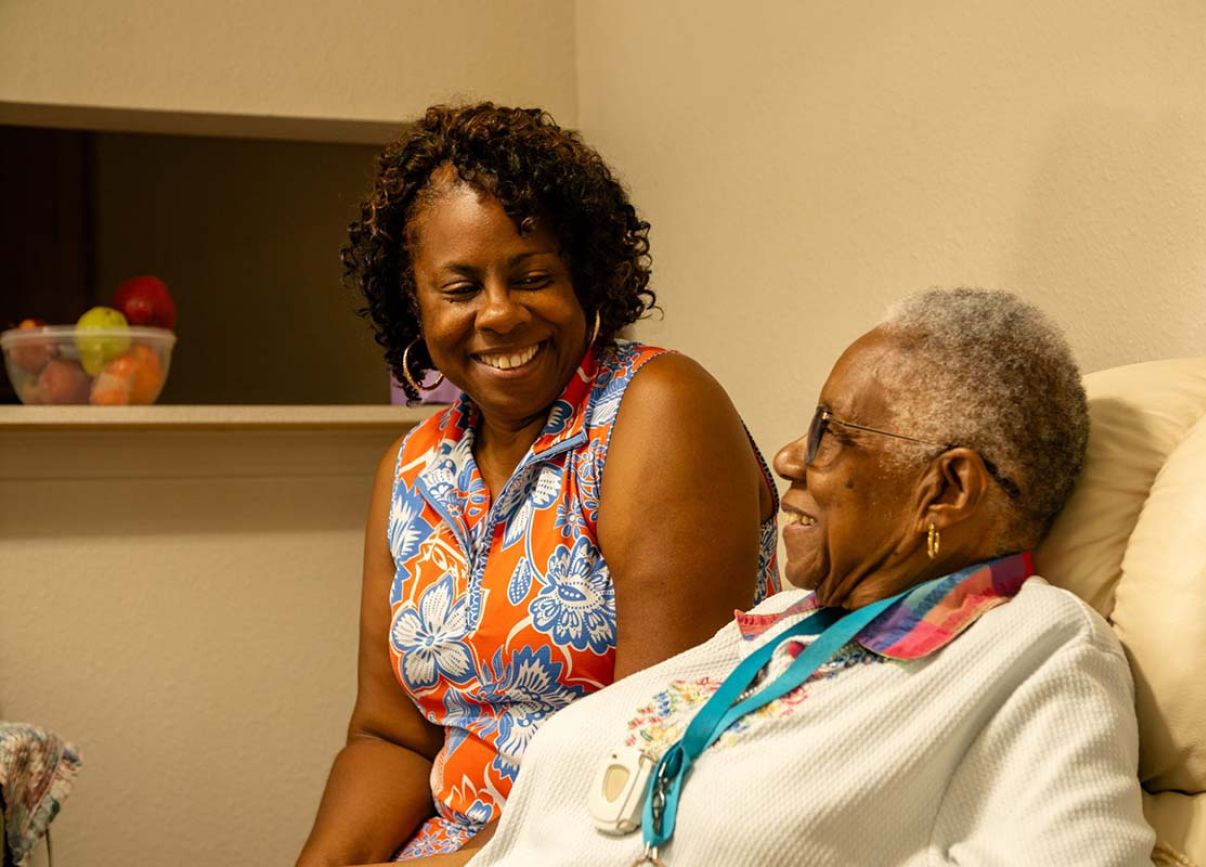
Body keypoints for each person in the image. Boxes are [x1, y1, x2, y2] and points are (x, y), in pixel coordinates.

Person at [464, 288, 1156, 866]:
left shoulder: (1041, 647)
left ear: (946, 489)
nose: (791, 456)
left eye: (832, 433)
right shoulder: (791, 618)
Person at [295, 104, 780, 866]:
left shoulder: (655, 408)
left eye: (531, 277)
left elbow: (650, 738)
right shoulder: (411, 472)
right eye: (459, 288)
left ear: (586, 277)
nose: (499, 313)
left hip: (623, 839)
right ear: (414, 305)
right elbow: (392, 735)